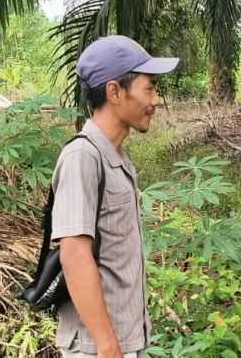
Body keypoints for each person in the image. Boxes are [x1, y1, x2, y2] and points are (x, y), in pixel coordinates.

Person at [50, 35, 178, 358]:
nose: (156, 100)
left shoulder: (117, 159)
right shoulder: (83, 157)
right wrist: (108, 347)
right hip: (96, 349)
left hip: (121, 342)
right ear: (115, 92)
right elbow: (75, 255)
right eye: (148, 88)